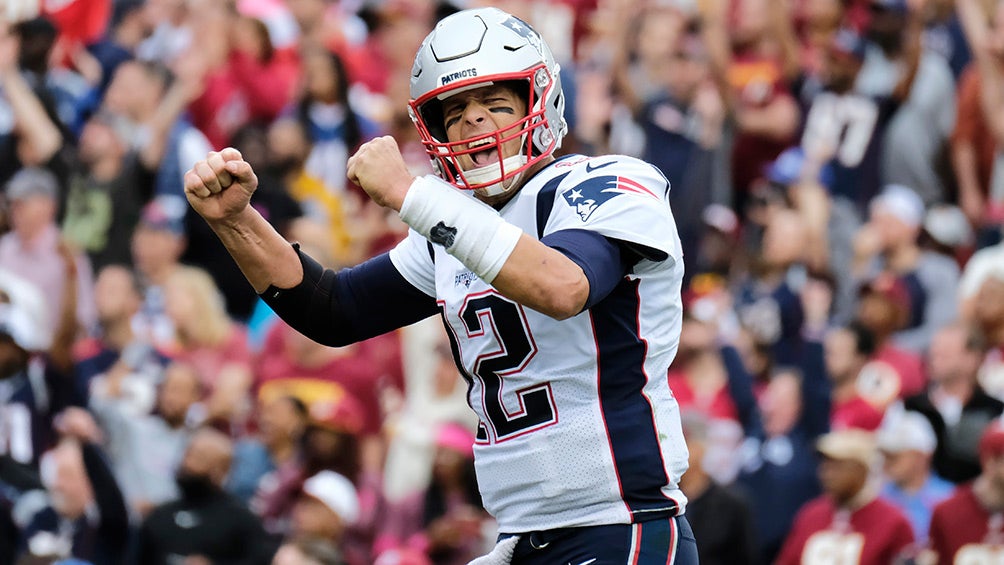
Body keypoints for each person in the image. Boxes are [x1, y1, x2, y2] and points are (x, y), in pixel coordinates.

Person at [184, 7, 696, 564]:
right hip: (523, 535)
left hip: (622, 522)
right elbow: (333, 310)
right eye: (454, 112)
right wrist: (236, 222)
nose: (474, 121)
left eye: (496, 104)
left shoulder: (608, 183)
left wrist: (413, 196)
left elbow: (563, 286)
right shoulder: (450, 230)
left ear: (540, 102)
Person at [775, 429, 916, 565]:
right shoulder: (811, 514)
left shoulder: (893, 521)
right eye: (825, 465)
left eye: (837, 466)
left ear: (861, 469)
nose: (827, 474)